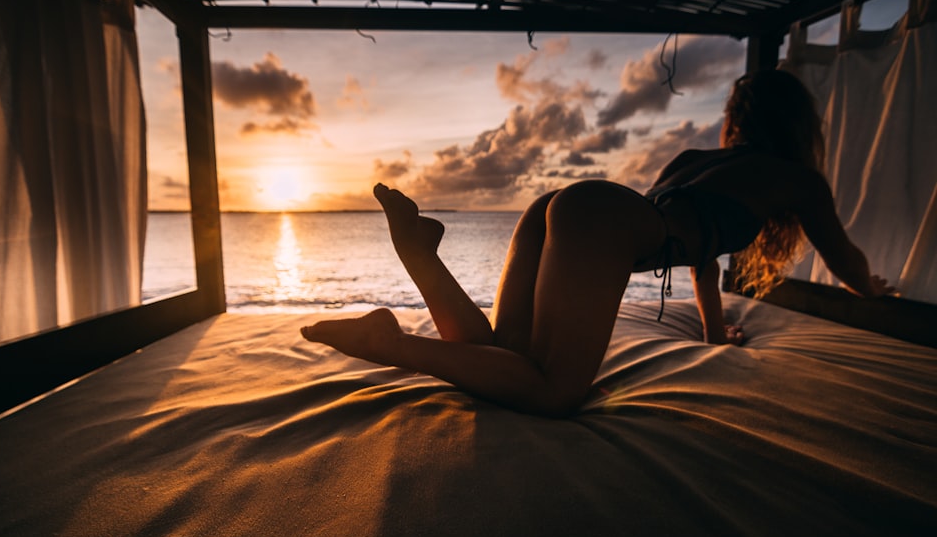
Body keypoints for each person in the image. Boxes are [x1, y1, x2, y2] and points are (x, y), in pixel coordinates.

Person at [301, 69, 894, 417]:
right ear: (797, 125)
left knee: (508, 355)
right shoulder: (795, 179)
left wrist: (715, 334)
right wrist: (871, 290)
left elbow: (701, 262)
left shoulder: (697, 159)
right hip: (601, 219)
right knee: (556, 392)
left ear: (738, 119)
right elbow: (843, 258)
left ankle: (422, 258)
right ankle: (395, 345)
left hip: (564, 205)